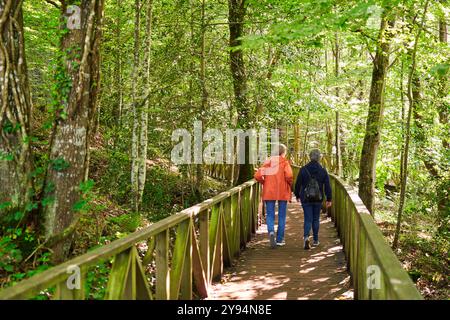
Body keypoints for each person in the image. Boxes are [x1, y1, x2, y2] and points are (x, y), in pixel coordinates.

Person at [254, 144, 293, 249]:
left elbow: (257, 175)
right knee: (282, 215)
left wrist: (264, 182)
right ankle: (280, 239)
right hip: (282, 191)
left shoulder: (268, 162)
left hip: (269, 190)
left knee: (270, 214)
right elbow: (289, 175)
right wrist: (290, 183)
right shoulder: (285, 162)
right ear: (283, 152)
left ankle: (271, 232)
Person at [294, 149, 332, 250]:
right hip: (318, 198)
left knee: (308, 218)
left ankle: (306, 237)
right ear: (320, 158)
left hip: (305, 198)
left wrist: (297, 195)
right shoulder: (323, 170)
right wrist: (329, 199)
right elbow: (328, 186)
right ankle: (315, 240)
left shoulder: (303, 169)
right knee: (315, 218)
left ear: (310, 157)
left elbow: (298, 184)